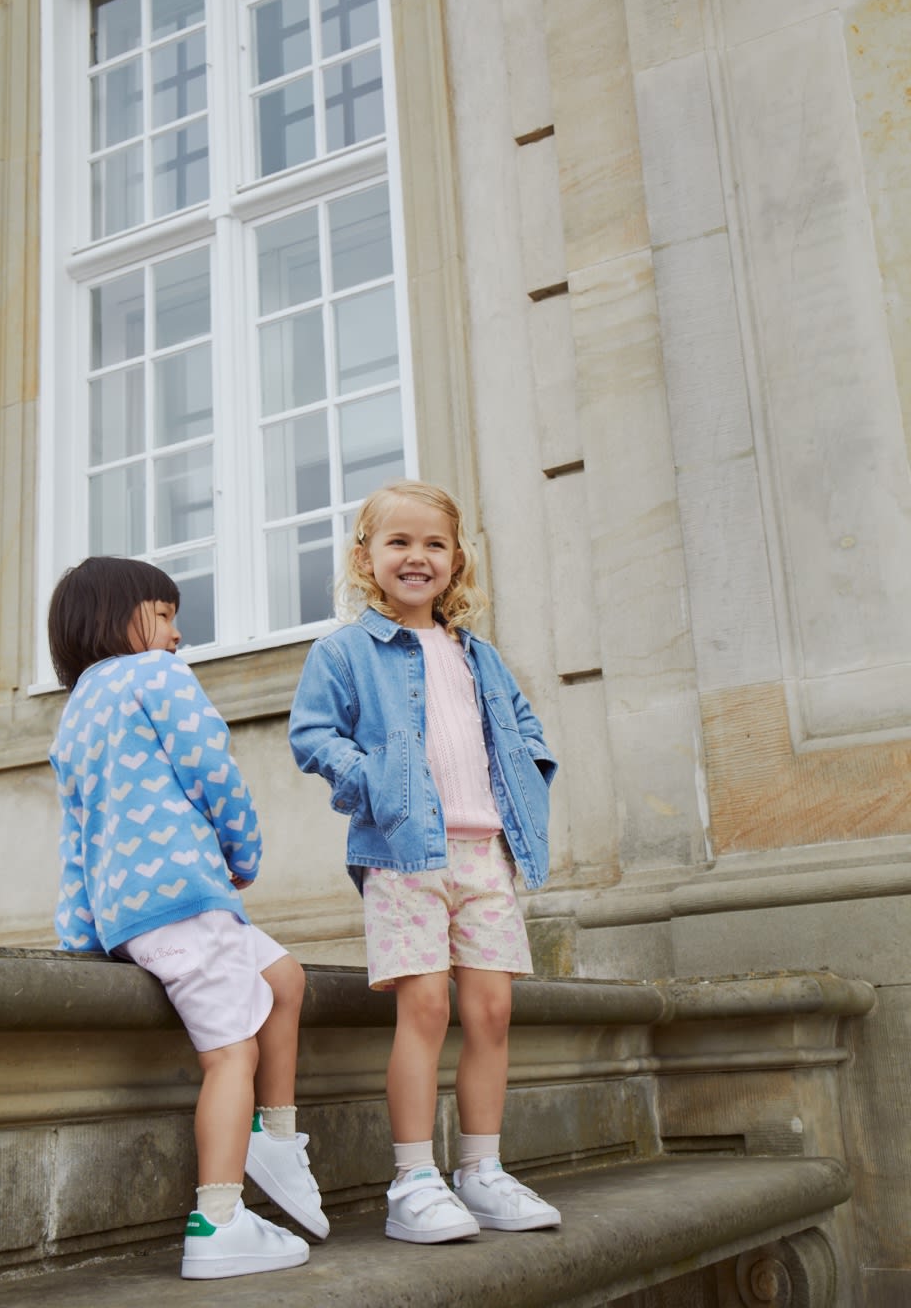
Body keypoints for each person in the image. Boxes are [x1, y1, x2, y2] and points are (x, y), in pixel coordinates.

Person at [289, 480, 562, 1245]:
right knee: (427, 1010)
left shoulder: (477, 654)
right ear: (366, 558)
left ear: (457, 558)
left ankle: (481, 1170)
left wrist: (528, 780)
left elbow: (524, 726)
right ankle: (414, 1180)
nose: (417, 557)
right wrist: (374, 783)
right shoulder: (343, 651)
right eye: (399, 543)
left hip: (486, 856)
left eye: (434, 544)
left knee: (492, 1013)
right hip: (405, 855)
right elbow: (313, 735)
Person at [48, 556, 329, 1280]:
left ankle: (277, 1136)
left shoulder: (74, 715)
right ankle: (218, 1222)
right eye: (165, 613)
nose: (179, 631)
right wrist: (243, 847)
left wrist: (81, 936)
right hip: (187, 901)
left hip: (139, 915)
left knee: (284, 977)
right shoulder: (156, 677)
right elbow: (211, 765)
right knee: (230, 1055)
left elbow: (76, 839)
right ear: (119, 619)